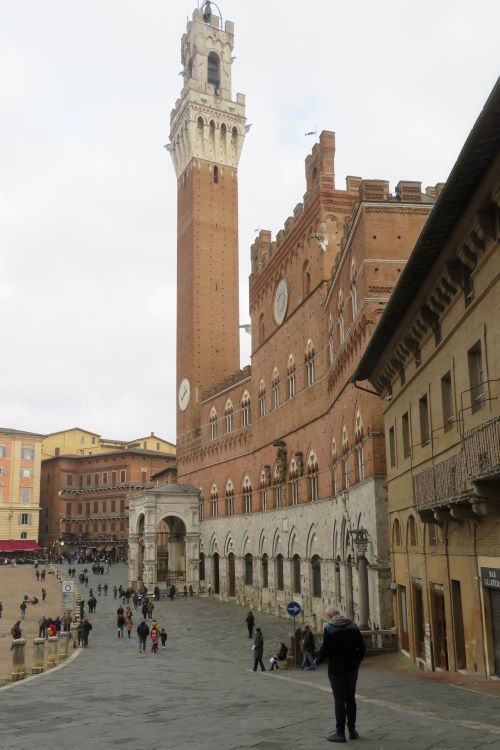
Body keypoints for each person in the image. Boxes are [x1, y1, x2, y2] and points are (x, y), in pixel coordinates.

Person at [315, 606, 366, 743]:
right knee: (350, 699)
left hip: (336, 670)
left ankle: (340, 733)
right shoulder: (353, 626)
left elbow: (325, 650)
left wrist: (317, 661)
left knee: (339, 700)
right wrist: (356, 663)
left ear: (329, 616)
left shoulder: (329, 628)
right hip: (351, 669)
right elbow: (362, 648)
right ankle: (352, 730)